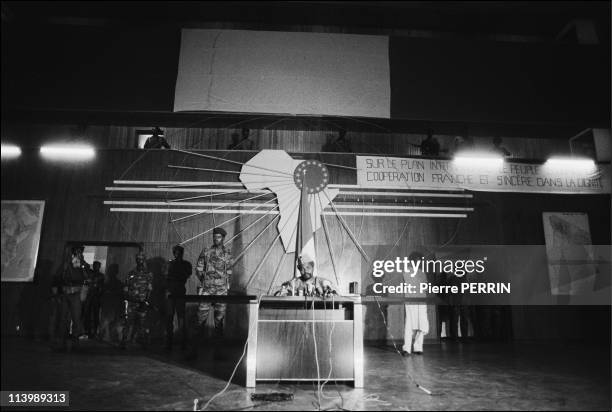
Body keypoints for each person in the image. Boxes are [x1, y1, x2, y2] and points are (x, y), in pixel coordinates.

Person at [194, 227, 233, 339]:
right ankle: (198, 349)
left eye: (219, 237)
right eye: (214, 237)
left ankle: (218, 351)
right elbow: (198, 269)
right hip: (207, 290)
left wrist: (226, 283)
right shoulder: (206, 251)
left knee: (219, 321)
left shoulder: (227, 253)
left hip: (221, 291)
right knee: (200, 319)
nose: (216, 239)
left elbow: (229, 270)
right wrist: (205, 282)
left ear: (223, 238)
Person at [121, 251, 153, 348]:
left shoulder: (148, 274)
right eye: (138, 259)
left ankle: (144, 343)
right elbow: (126, 288)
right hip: (132, 302)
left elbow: (150, 289)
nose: (140, 261)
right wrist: (127, 299)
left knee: (143, 324)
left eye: (141, 259)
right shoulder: (131, 273)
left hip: (142, 302)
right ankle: (124, 341)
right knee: (128, 322)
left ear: (144, 260)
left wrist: (146, 301)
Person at [402, 252, 430, 356]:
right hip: (411, 301)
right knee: (409, 324)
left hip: (421, 301)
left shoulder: (422, 273)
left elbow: (425, 287)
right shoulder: (406, 272)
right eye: (415, 260)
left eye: (418, 261)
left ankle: (418, 347)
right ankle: (406, 348)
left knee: (421, 325)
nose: (417, 262)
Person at [165, 244, 192, 351]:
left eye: (178, 252)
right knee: (170, 318)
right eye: (175, 252)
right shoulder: (171, 264)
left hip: (179, 291)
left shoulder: (185, 264)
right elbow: (166, 276)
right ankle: (170, 342)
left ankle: (182, 343)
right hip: (172, 292)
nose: (177, 254)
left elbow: (185, 275)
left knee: (180, 319)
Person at [60, 246, 90, 342]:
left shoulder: (83, 264)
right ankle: (63, 336)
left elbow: (87, 277)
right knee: (64, 315)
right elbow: (61, 275)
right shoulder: (67, 262)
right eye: (77, 252)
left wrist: (82, 265)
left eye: (80, 252)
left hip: (76, 292)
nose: (78, 254)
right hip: (66, 292)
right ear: (73, 253)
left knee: (76, 316)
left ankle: (76, 336)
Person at [83, 261, 104, 339]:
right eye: (95, 266)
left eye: (98, 266)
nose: (96, 267)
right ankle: (87, 330)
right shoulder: (90, 273)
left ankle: (94, 331)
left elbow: (102, 288)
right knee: (87, 314)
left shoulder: (101, 276)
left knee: (95, 315)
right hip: (89, 296)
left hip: (96, 297)